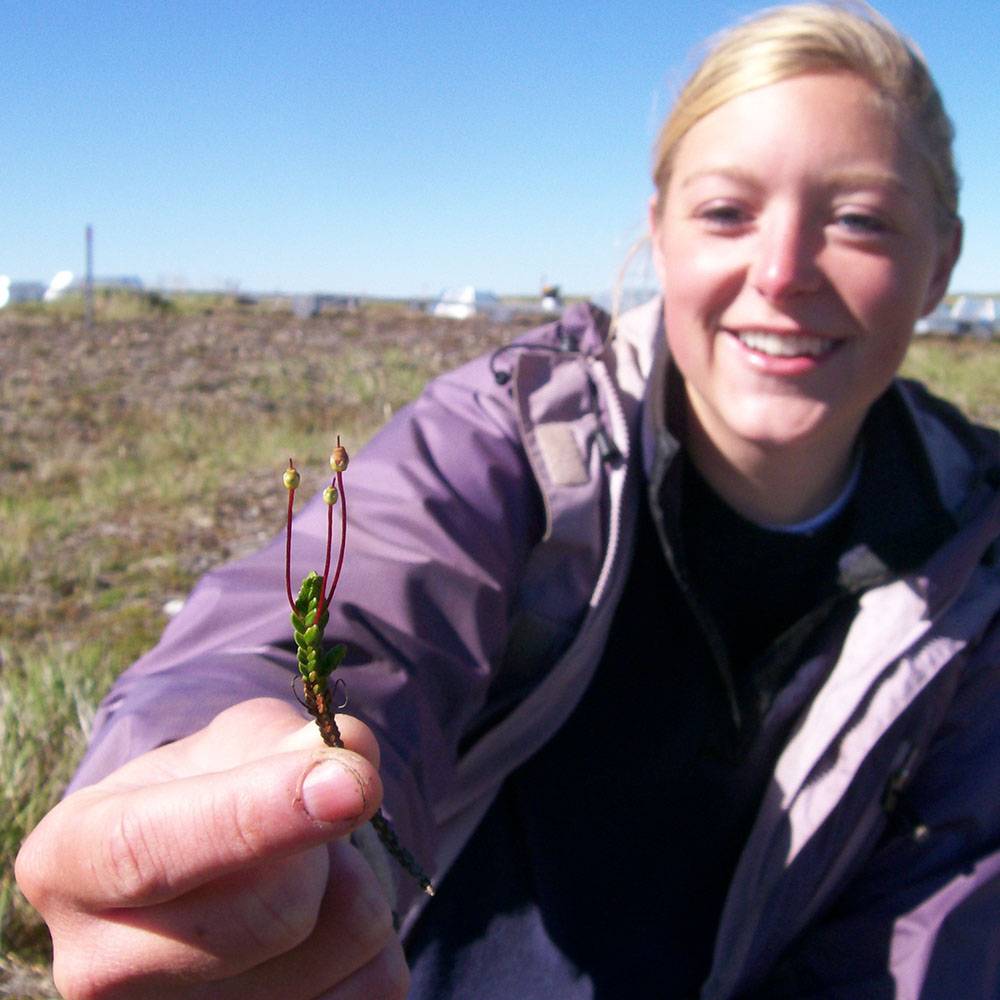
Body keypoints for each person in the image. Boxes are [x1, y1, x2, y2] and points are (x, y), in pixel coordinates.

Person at [16, 2, 1000, 997]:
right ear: (658, 234)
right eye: (726, 212)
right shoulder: (522, 426)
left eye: (861, 220)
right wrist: (209, 758)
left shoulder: (981, 560)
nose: (782, 273)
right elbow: (358, 595)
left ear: (941, 265)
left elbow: (932, 927)